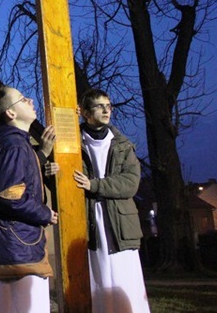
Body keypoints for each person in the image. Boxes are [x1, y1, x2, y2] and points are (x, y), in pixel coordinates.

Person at [0, 87, 57, 313]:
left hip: (5, 244)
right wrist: (45, 213)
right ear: (10, 113)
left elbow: (8, 176)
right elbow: (9, 195)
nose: (29, 99)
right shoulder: (13, 145)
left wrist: (40, 156)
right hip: (18, 246)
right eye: (21, 99)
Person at [72, 88, 150, 312]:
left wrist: (94, 185)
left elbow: (130, 183)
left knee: (126, 280)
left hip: (120, 223)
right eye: (100, 106)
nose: (107, 110)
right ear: (85, 112)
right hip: (90, 220)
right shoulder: (73, 143)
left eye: (109, 106)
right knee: (99, 278)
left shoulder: (123, 145)